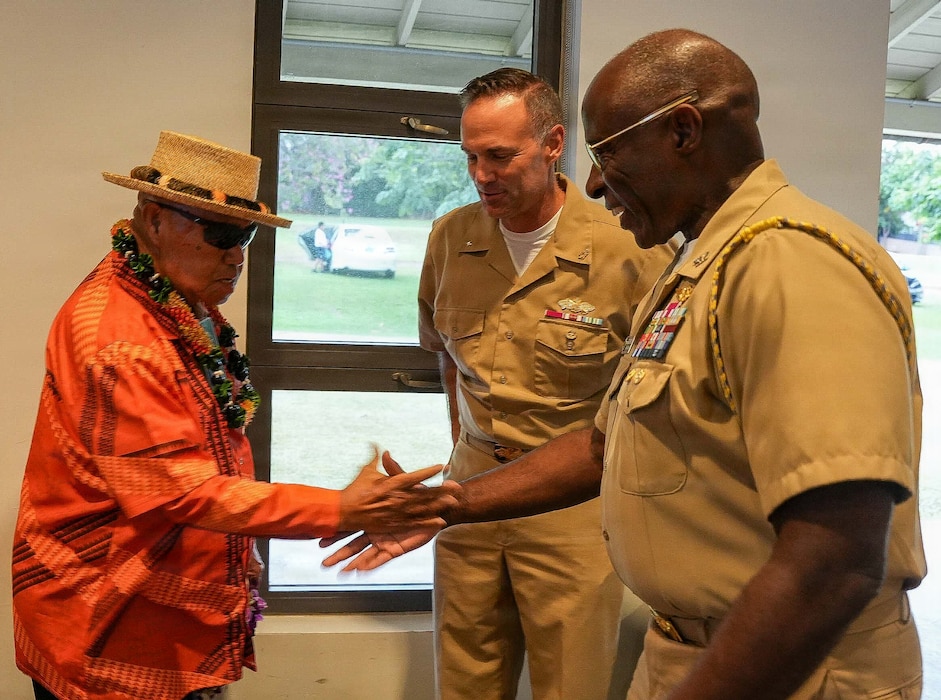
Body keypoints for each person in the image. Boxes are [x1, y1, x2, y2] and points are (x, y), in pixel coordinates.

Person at [327, 30, 926, 700]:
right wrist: (447, 503)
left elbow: (834, 559)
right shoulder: (698, 268)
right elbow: (603, 445)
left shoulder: (792, 263)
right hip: (700, 649)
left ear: (682, 131)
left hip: (792, 667)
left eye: (609, 152)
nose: (590, 180)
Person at [11, 130, 457, 700]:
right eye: (220, 233)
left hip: (166, 610)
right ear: (153, 220)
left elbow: (199, 454)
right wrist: (339, 508)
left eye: (245, 234)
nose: (236, 255)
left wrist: (233, 553)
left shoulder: (179, 307)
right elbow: (183, 493)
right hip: (110, 625)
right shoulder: (123, 341)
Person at [417, 68, 673, 700]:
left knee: (571, 687)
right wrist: (462, 448)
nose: (481, 175)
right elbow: (445, 354)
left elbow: (652, 401)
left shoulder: (630, 248)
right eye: (471, 156)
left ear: (554, 143)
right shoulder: (452, 237)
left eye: (500, 156)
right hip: (468, 497)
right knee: (464, 685)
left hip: (573, 509)